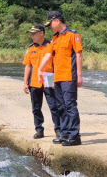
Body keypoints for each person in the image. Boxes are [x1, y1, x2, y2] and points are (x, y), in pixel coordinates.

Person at [37, 11, 83, 146]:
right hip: (57, 78)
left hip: (69, 77)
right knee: (61, 107)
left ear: (57, 21)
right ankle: (65, 133)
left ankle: (74, 136)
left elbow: (79, 55)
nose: (50, 26)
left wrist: (79, 75)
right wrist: (40, 69)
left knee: (70, 106)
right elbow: (48, 55)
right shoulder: (55, 38)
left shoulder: (73, 35)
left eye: (50, 23)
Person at [22, 23, 61, 139]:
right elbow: (27, 66)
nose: (32, 36)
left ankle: (58, 129)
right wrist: (25, 83)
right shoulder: (30, 48)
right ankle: (39, 129)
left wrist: (56, 80)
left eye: (34, 33)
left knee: (54, 106)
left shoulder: (50, 46)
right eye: (31, 34)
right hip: (34, 82)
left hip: (49, 81)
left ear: (42, 33)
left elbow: (56, 64)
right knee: (36, 108)